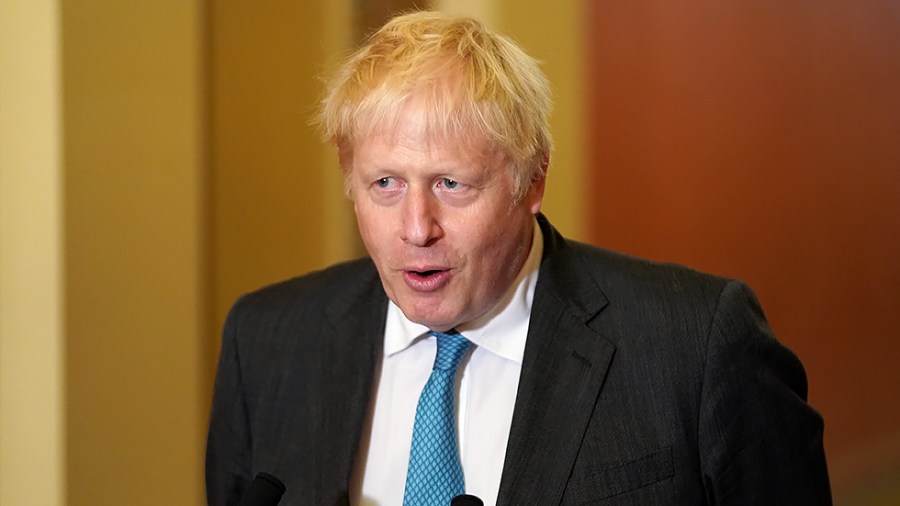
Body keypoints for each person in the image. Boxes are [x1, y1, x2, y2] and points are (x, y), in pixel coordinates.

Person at [206, 10, 831, 506]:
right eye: (385, 185)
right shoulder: (265, 341)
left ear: (531, 181)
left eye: (452, 184)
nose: (416, 229)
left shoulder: (695, 344)